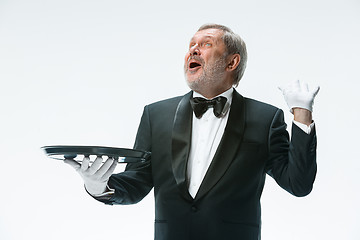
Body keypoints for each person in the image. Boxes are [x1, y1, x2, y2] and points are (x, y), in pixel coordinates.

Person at [64, 24, 319, 240]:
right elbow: (137, 183)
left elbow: (298, 184)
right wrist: (99, 186)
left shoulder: (265, 119)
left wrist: (302, 114)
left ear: (232, 61)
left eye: (206, 44)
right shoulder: (156, 115)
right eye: (191, 45)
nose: (193, 50)